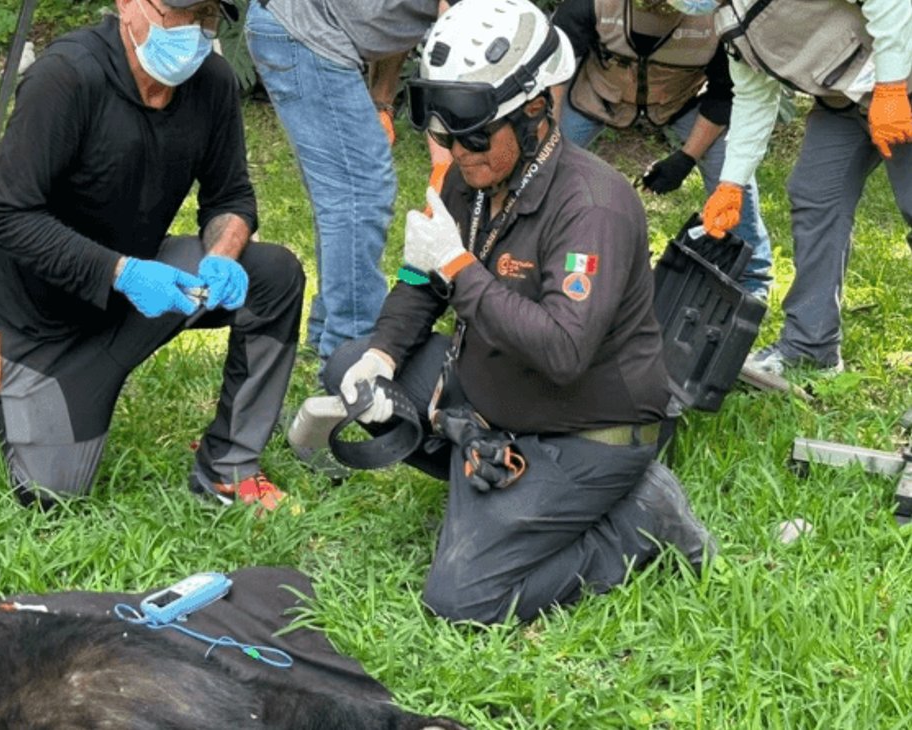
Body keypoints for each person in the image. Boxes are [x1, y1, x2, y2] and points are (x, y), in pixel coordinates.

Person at [326, 0, 714, 624]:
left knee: (460, 602)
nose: (459, 148)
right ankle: (495, 486)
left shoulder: (594, 207)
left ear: (536, 112)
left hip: (584, 430)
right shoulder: (469, 178)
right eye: (445, 131)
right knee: (349, 367)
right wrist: (381, 354)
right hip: (499, 396)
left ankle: (635, 525)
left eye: (475, 131)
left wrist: (459, 269)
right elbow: (419, 281)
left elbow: (564, 351)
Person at [0, 0, 305, 511]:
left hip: (137, 291)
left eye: (208, 17)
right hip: (43, 320)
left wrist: (222, 253)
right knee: (51, 494)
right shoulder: (65, 77)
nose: (194, 32)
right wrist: (118, 272)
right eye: (179, 14)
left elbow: (232, 196)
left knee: (274, 275)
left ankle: (228, 467)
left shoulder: (211, 82)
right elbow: (8, 215)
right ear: (128, 4)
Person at [688, 0, 912, 376]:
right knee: (813, 195)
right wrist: (731, 183)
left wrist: (891, 87)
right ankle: (810, 346)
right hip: (845, 101)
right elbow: (754, 97)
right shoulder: (730, 23)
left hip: (901, 75)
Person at [245, 0, 448, 364]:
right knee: (360, 196)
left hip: (296, 28)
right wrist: (445, 155)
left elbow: (400, 23)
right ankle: (350, 359)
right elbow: (457, 44)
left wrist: (382, 100)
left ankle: (327, 336)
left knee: (342, 198)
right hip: (307, 33)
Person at [550, 0, 772, 300]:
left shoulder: (722, 17)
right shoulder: (588, 5)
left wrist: (686, 157)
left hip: (678, 102)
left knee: (730, 168)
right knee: (542, 162)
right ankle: (526, 252)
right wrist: (547, 136)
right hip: (597, 97)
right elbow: (554, 75)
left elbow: (724, 94)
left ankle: (751, 279)